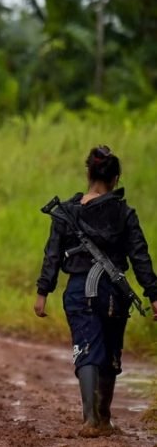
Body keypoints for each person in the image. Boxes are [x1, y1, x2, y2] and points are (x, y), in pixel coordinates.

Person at [34, 146, 157, 437]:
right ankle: (103, 418)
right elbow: (140, 255)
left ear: (88, 173)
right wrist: (153, 294)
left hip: (79, 289)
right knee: (111, 351)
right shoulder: (124, 212)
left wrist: (43, 291)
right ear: (116, 178)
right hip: (114, 291)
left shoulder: (65, 212)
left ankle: (91, 418)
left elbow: (52, 255)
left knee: (87, 348)